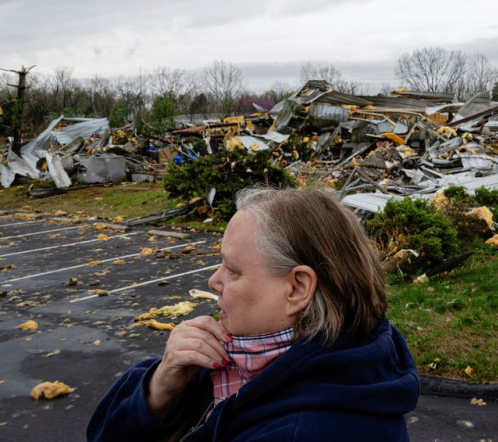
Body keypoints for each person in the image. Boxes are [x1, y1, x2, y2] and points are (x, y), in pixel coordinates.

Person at [87, 187, 419, 441]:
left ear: (297, 289)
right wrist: (158, 389)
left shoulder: (305, 432)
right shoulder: (246, 358)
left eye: (232, 269)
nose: (213, 280)